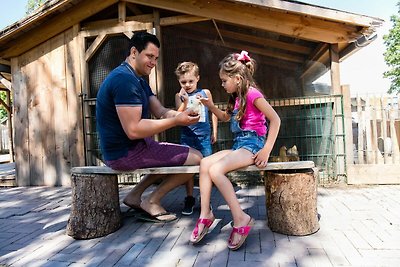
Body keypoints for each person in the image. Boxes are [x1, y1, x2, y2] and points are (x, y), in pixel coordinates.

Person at [96, 31, 203, 223]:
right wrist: (176, 121)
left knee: (177, 153)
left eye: (156, 58)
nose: (153, 62)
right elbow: (134, 129)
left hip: (136, 148)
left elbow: (161, 111)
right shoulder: (124, 80)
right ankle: (152, 201)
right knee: (196, 158)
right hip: (124, 153)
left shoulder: (137, 78)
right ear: (134, 52)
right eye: (150, 56)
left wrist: (181, 115)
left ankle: (134, 196)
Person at [189, 51, 281, 250]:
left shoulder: (253, 94)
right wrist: (210, 105)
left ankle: (240, 218)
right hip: (240, 144)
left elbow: (275, 119)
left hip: (254, 145)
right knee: (205, 163)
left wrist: (266, 150)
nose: (222, 84)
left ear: (237, 79)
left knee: (216, 170)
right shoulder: (236, 97)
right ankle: (205, 215)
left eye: (224, 80)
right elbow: (224, 117)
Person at [174, 62, 218, 215]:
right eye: (183, 82)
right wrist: (185, 101)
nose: (187, 85)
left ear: (197, 78)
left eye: (190, 81)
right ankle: (190, 198)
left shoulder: (205, 92)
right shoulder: (179, 96)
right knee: (189, 170)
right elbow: (177, 116)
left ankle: (206, 200)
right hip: (187, 136)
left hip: (204, 137)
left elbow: (212, 110)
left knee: (208, 169)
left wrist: (215, 132)